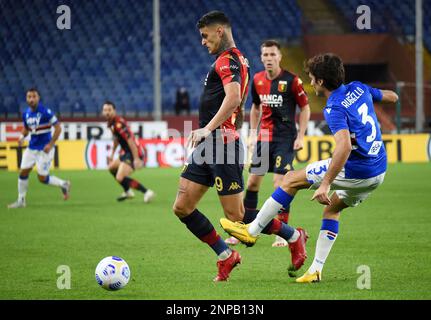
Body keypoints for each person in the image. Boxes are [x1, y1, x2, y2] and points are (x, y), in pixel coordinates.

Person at [220, 53, 399, 282]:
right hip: (378, 171)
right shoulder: (359, 88)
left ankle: (251, 231)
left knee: (290, 180)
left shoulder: (334, 107)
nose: (311, 82)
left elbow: (343, 148)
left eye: (313, 78)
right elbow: (391, 96)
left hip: (358, 168)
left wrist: (325, 184)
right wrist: (384, 98)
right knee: (332, 210)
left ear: (321, 82)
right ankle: (315, 270)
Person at [172, 11, 308, 282]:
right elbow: (242, 104)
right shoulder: (236, 61)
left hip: (219, 144)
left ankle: (293, 236)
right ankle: (226, 256)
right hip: (210, 145)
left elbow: (234, 99)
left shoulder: (229, 60)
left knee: (238, 218)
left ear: (219, 31)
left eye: (205, 35)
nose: (202, 42)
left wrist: (210, 128)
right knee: (182, 206)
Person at [225, 39, 310, 248]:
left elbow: (305, 108)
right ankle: (243, 228)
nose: (269, 58)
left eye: (273, 54)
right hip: (264, 137)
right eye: (265, 55)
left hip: (285, 138)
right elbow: (255, 108)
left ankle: (283, 232)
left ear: (280, 57)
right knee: (253, 183)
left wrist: (301, 136)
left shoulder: (292, 80)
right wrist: (253, 134)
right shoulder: (257, 79)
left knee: (280, 183)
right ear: (261, 57)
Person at [8, 88, 71, 209]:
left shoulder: (46, 112)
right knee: (23, 172)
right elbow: (26, 129)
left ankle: (64, 184)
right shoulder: (26, 113)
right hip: (32, 148)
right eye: (29, 97)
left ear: (38, 98)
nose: (31, 99)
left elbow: (58, 128)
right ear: (26, 99)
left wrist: (51, 144)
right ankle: (21, 200)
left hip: (45, 149)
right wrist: (21, 136)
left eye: (34, 97)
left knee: (42, 178)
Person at [102, 101, 155, 203]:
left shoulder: (118, 124)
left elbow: (130, 140)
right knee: (112, 168)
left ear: (114, 111)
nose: (107, 112)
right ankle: (128, 191)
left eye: (109, 110)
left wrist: (136, 159)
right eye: (105, 110)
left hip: (134, 151)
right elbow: (116, 139)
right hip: (126, 152)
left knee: (120, 177)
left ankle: (147, 192)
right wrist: (112, 154)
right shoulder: (111, 123)